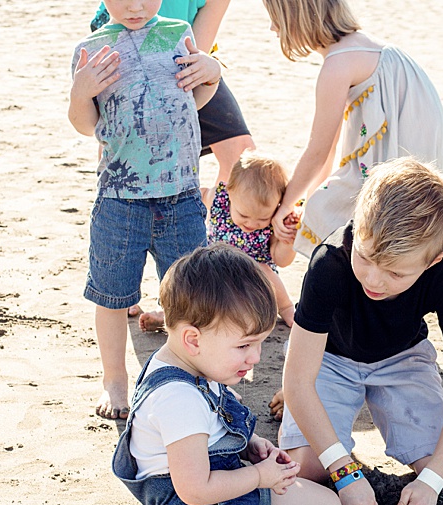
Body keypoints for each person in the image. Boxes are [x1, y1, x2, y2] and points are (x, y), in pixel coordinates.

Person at [111, 244, 342, 505]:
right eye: (244, 346)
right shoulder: (177, 399)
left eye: (259, 343)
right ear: (193, 339)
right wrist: (259, 476)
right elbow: (194, 490)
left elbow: (214, 424)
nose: (255, 358)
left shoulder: (195, 359)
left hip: (230, 479)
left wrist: (251, 446)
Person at [279, 158, 443, 505]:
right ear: (357, 227)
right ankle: (320, 424)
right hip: (330, 358)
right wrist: (344, 472)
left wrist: (431, 484)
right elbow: (297, 381)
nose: (374, 279)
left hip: (403, 358)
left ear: (434, 260)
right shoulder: (329, 264)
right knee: (308, 467)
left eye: (396, 272)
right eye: (366, 256)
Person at [69, 0, 224, 419]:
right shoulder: (94, 47)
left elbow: (198, 96)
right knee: (112, 293)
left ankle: (205, 376)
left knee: (193, 292)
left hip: (181, 192)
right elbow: (86, 124)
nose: (135, 6)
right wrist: (81, 91)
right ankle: (115, 378)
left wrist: (212, 73)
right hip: (120, 198)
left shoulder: (177, 33)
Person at [260, 0, 443, 257]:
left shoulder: (337, 64)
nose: (273, 27)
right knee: (320, 205)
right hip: (427, 167)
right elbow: (327, 150)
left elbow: (318, 150)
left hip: (399, 170)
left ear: (296, 17)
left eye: (276, 17)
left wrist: (285, 206)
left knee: (334, 217)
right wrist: (307, 201)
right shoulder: (371, 46)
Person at [90, 0, 255, 185]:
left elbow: (193, 52)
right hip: (122, 35)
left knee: (241, 155)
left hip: (181, 57)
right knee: (126, 138)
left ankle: (215, 210)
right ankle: (109, 199)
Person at [204, 150, 299, 326]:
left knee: (261, 268)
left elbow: (281, 260)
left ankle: (285, 308)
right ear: (230, 192)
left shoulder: (276, 219)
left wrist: (287, 241)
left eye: (262, 218)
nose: (252, 223)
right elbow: (196, 198)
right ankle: (170, 315)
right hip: (216, 269)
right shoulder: (218, 199)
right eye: (243, 215)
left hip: (252, 281)